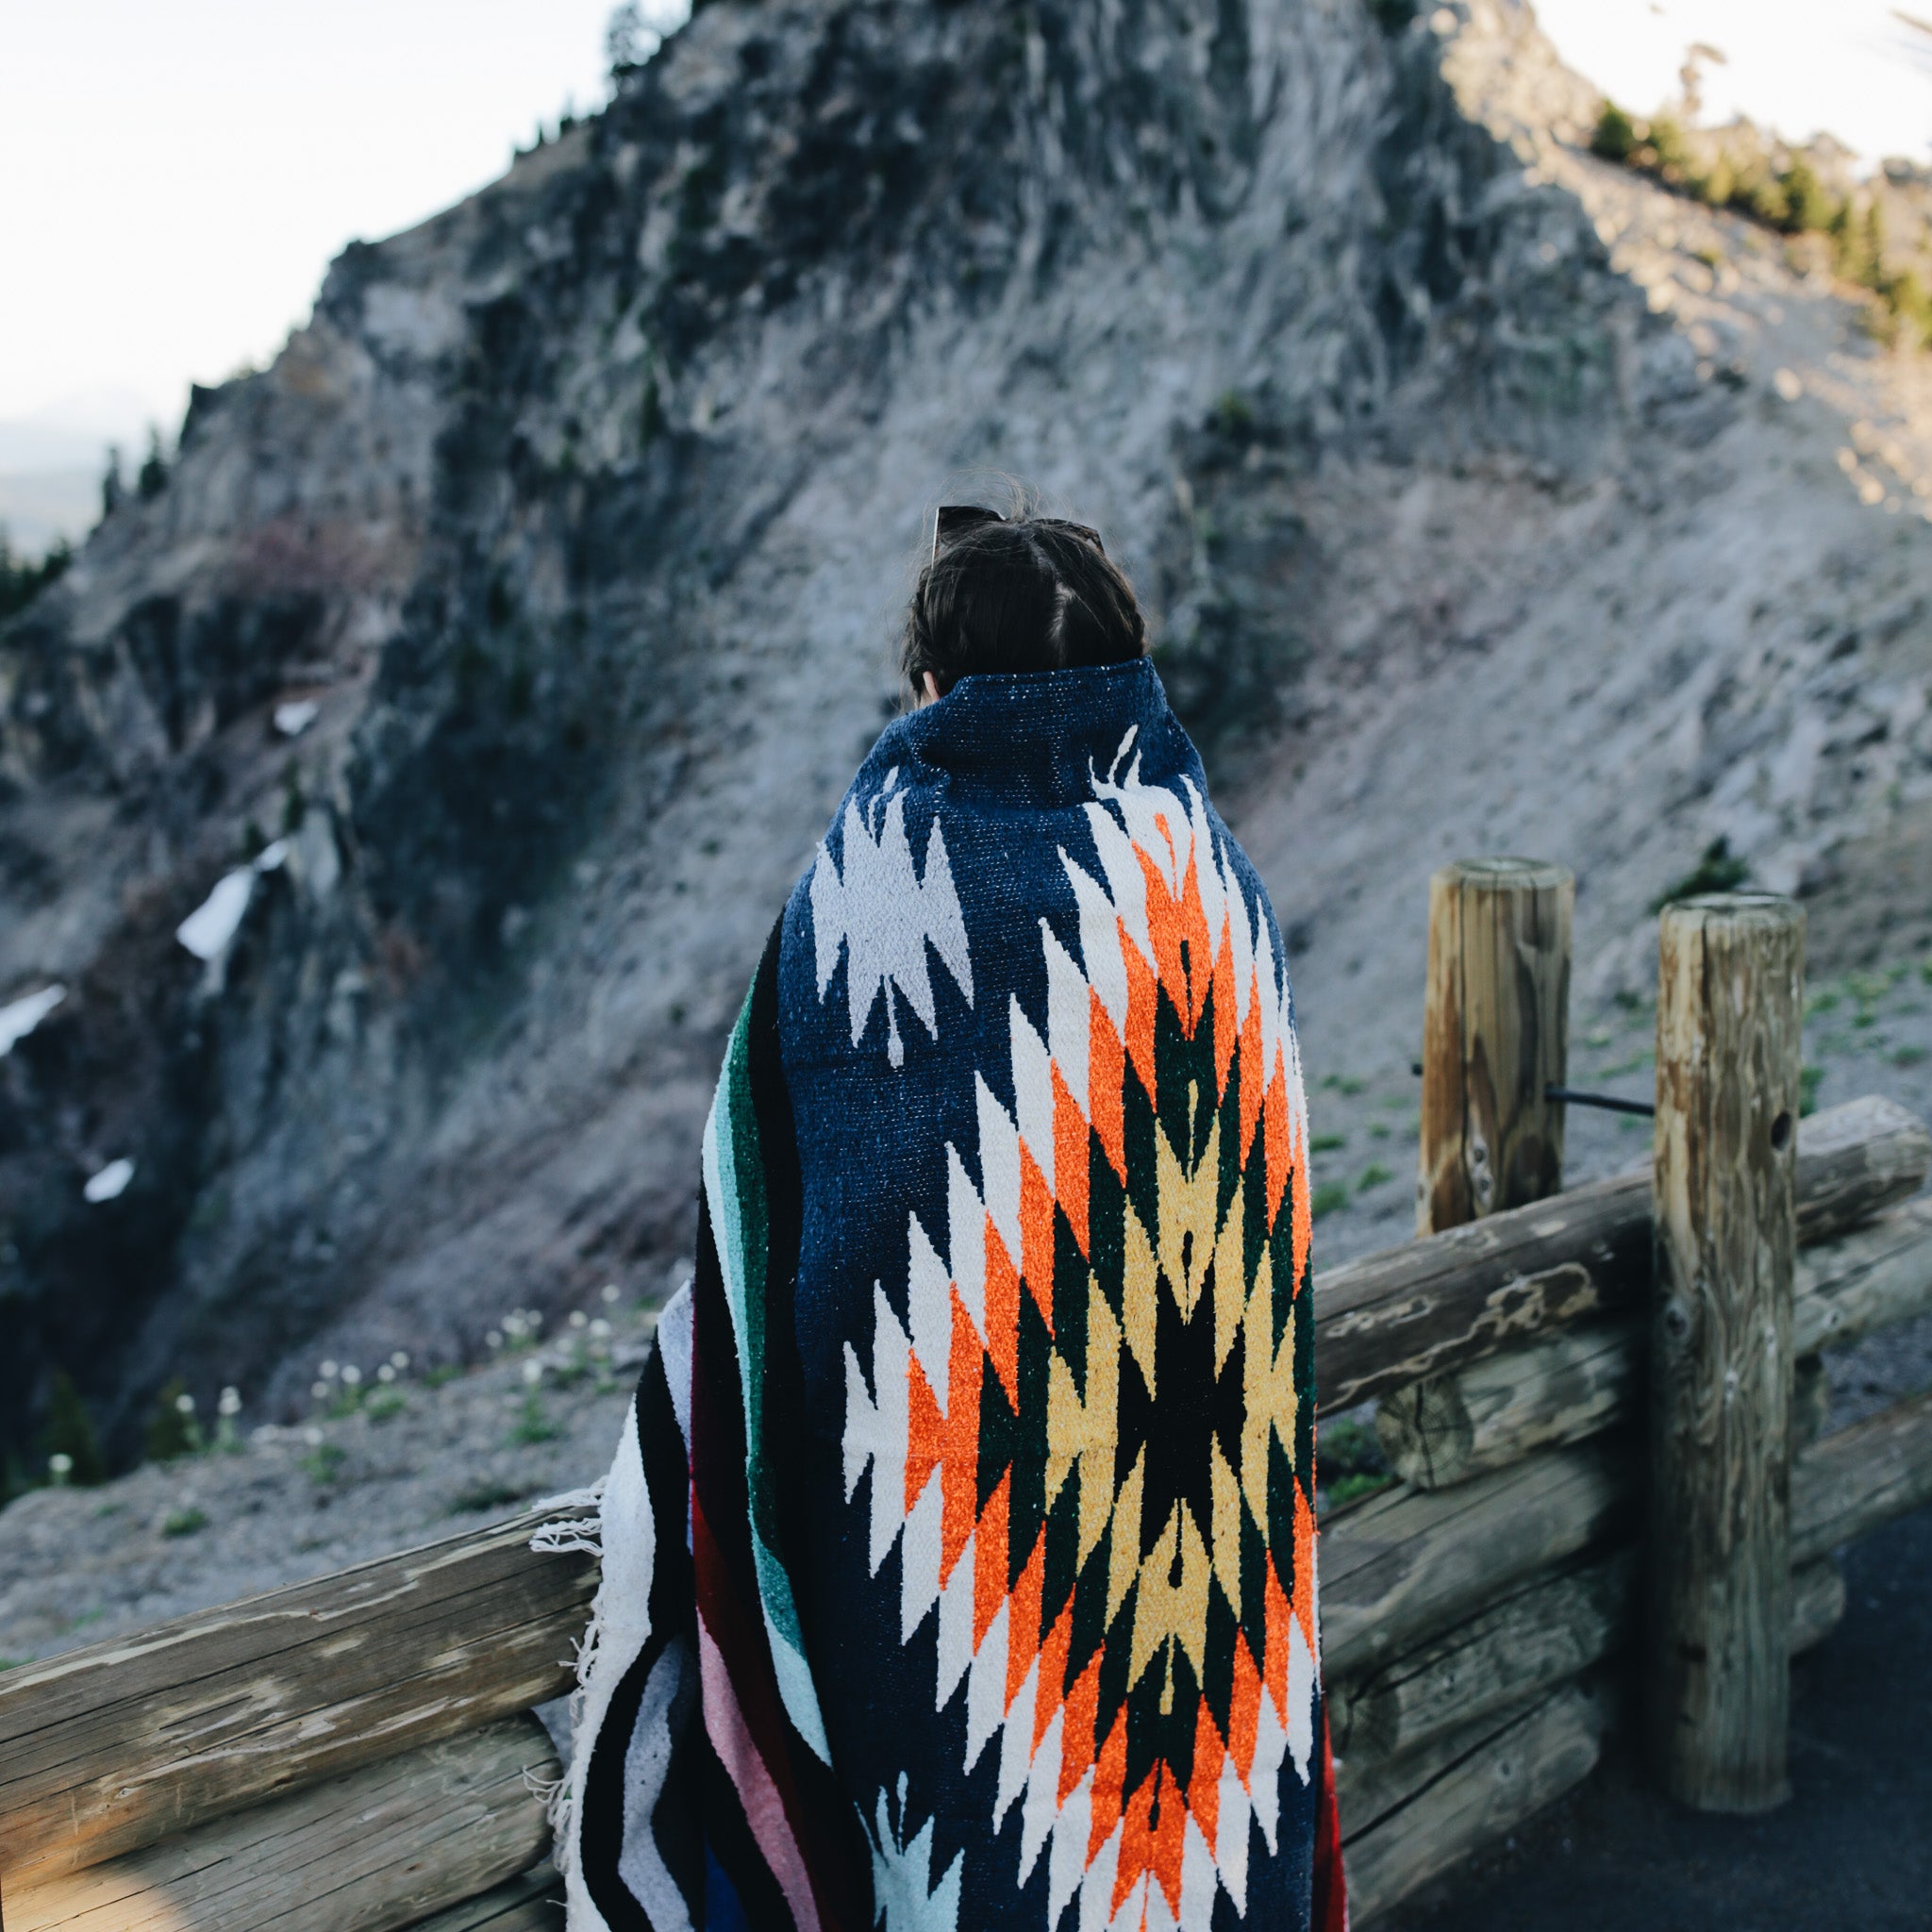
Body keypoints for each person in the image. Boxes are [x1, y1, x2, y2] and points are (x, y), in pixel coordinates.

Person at [553, 501, 1347, 1932]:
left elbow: (782, 1216)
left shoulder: (866, 899)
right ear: (1131, 657)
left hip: (958, 1560)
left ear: (932, 683)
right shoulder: (1215, 883)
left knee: (982, 1854)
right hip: (1205, 1531)